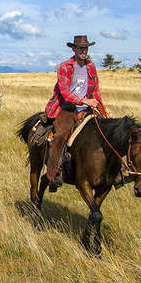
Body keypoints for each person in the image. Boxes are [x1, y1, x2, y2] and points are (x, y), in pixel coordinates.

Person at [44, 35, 103, 191]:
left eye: (86, 48)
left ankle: (115, 172)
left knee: (107, 131)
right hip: (66, 107)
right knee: (60, 136)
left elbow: (95, 90)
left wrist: (100, 107)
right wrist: (84, 101)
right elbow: (64, 92)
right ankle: (53, 173)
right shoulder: (65, 67)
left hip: (87, 108)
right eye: (81, 48)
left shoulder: (91, 66)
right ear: (74, 49)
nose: (84, 51)